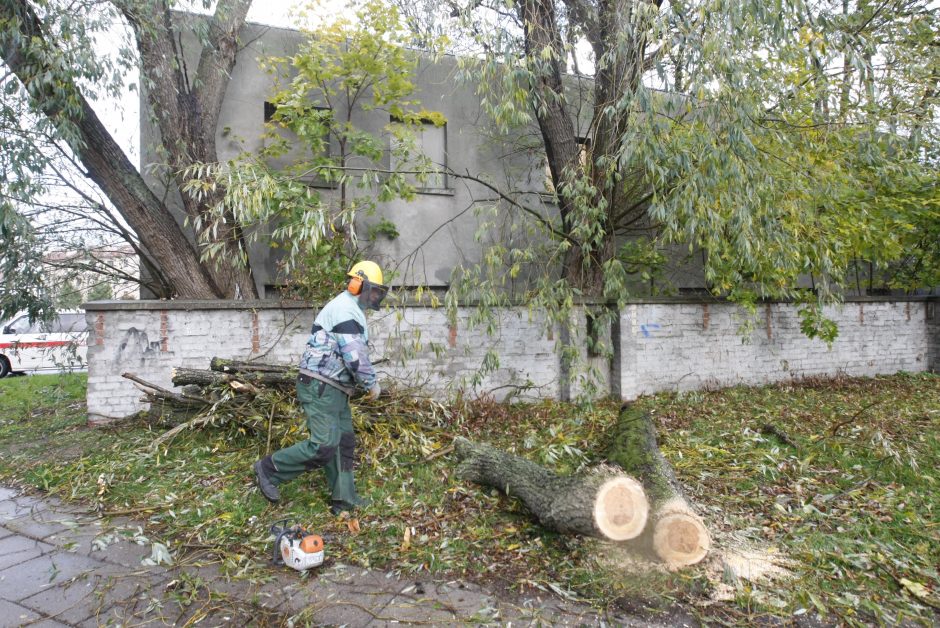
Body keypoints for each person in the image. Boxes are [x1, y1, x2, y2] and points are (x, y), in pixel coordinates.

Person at [253, 261, 387, 514]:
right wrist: (371, 383)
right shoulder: (344, 310)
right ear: (358, 284)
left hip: (335, 389)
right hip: (320, 387)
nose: (376, 296)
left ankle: (344, 500)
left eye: (379, 292)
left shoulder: (351, 310)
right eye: (374, 290)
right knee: (324, 445)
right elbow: (354, 355)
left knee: (343, 442)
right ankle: (269, 469)